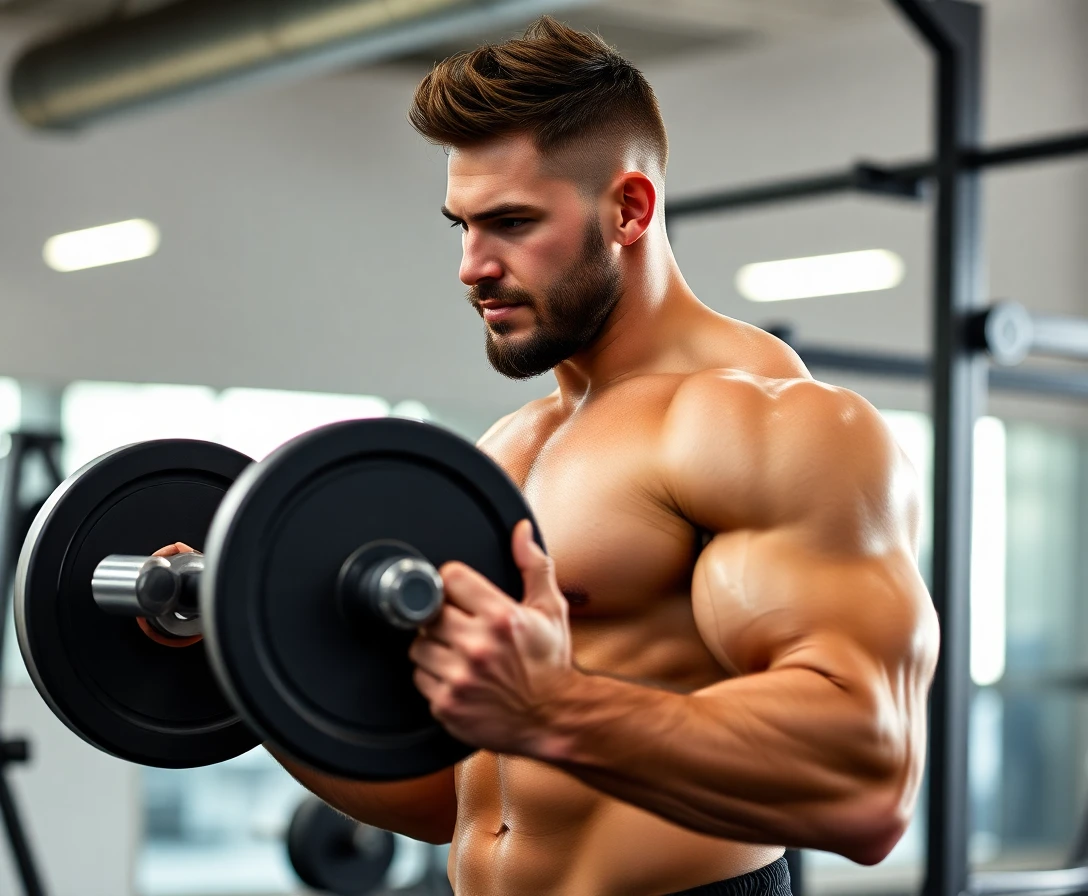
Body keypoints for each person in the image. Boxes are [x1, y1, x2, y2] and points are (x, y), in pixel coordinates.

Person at [172, 17, 939, 895]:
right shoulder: (513, 446)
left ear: (629, 209)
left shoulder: (763, 424)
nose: (471, 266)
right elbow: (450, 796)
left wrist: (556, 706)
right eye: (461, 225)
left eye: (510, 223)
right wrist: (238, 646)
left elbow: (870, 781)